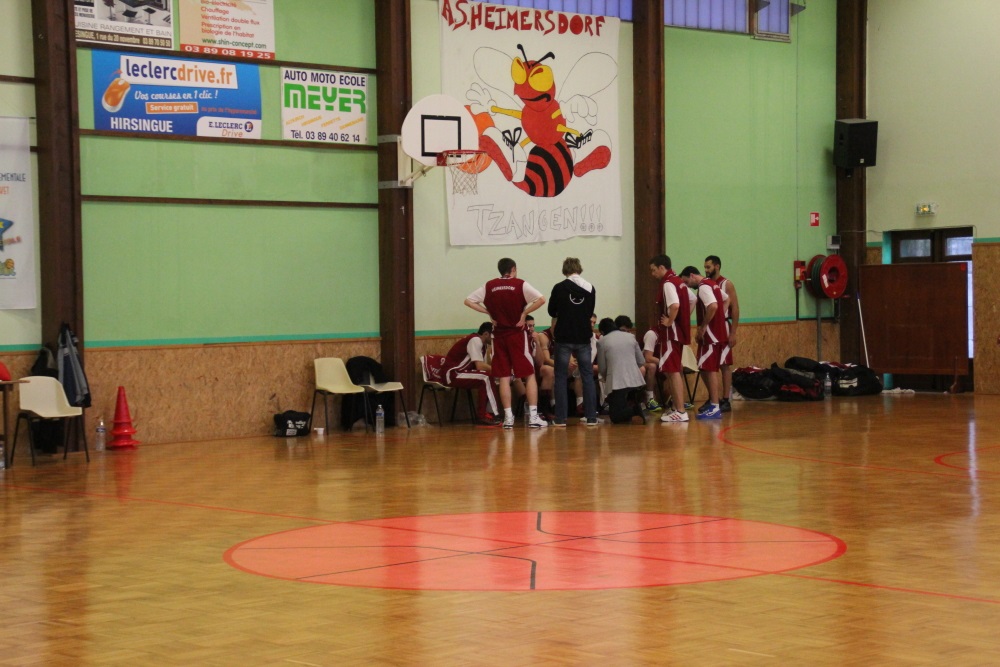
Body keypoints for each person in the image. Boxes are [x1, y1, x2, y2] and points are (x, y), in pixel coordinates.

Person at [465, 258, 548, 429]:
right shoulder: (520, 284)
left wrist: (488, 313)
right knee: (529, 374)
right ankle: (533, 417)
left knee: (503, 376)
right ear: (513, 269)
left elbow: (468, 301)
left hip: (498, 336)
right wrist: (524, 314)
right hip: (517, 335)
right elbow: (541, 299)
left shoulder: (489, 286)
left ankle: (508, 418)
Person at [547, 257, 598, 426]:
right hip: (583, 336)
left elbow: (551, 311)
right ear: (579, 268)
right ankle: (591, 417)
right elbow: (590, 311)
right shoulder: (590, 288)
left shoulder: (559, 287)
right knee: (587, 376)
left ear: (565, 270)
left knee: (561, 376)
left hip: (564, 336)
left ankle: (561, 418)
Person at [679, 266, 730, 420]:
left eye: (686, 282)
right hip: (716, 333)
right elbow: (726, 299)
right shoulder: (712, 284)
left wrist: (704, 326)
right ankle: (714, 401)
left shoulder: (703, 287)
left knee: (709, 368)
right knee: (703, 366)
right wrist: (720, 318)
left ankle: (715, 406)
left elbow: (713, 306)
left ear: (692, 275)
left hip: (711, 335)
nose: (687, 286)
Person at [649, 254, 691, 424]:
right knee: (673, 370)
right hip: (678, 333)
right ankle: (677, 408)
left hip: (670, 334)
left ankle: (680, 410)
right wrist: (682, 320)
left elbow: (675, 305)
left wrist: (670, 321)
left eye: (653, 270)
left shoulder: (667, 283)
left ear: (661, 267)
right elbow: (692, 300)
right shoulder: (679, 281)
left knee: (673, 372)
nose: (652, 274)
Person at [442, 322, 500, 426]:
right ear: (486, 334)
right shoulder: (475, 340)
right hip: (453, 373)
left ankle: (489, 413)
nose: (494, 339)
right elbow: (480, 366)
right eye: (493, 337)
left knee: (488, 377)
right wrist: (499, 371)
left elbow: (483, 368)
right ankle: (484, 416)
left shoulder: (483, 345)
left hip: (461, 372)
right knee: (486, 378)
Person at [704, 255, 739, 412]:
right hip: (710, 328)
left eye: (708, 267)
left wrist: (733, 333)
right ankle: (713, 398)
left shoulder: (726, 284)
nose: (706, 270)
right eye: (705, 267)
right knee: (708, 365)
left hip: (723, 327)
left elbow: (735, 308)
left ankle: (726, 399)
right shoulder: (706, 284)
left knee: (724, 364)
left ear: (717, 266)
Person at [596, 316, 646, 424]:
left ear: (602, 332)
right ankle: (632, 410)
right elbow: (641, 361)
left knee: (615, 416)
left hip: (616, 382)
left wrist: (606, 378)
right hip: (635, 380)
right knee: (620, 408)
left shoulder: (602, 341)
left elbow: (602, 368)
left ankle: (634, 410)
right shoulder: (630, 337)